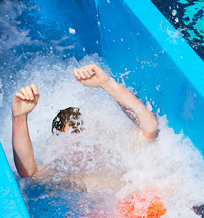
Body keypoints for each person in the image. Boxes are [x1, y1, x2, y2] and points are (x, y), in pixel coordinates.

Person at [11, 63, 159, 178]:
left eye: (79, 132)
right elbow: (29, 172)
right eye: (70, 137)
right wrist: (19, 118)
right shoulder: (64, 175)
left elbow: (150, 127)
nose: (77, 144)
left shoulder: (116, 151)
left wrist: (106, 83)